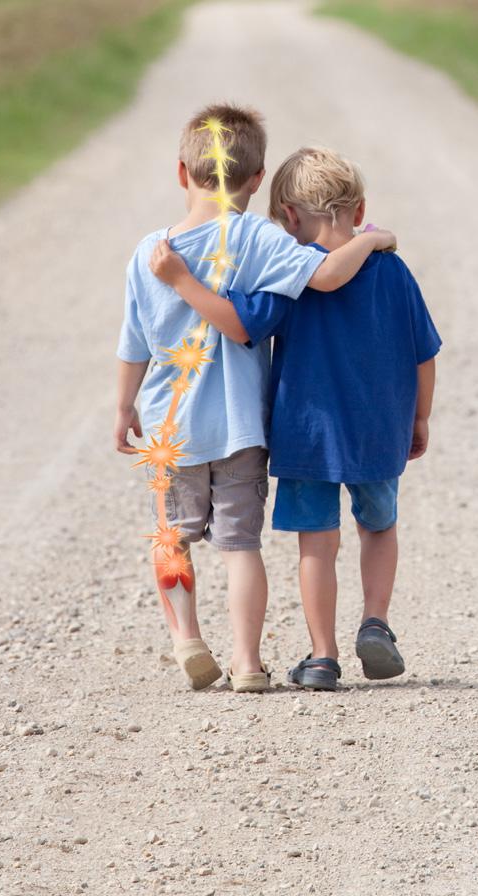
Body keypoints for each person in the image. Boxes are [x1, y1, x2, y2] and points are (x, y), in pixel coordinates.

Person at [115, 107, 396, 693]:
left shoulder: (150, 250)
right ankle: (247, 662)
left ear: (181, 172)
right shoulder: (256, 237)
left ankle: (187, 638)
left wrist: (124, 407)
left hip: (171, 428)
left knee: (173, 539)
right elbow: (324, 276)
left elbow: (133, 342)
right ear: (257, 179)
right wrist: (374, 242)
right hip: (241, 427)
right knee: (240, 547)